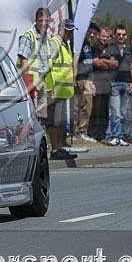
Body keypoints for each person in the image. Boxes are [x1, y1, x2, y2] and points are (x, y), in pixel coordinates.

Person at [18, 7, 56, 124]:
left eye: (46, 21)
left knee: (41, 116)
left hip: (43, 81)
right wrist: (28, 83)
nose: (43, 23)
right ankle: (28, 139)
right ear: (36, 20)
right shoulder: (29, 36)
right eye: (40, 20)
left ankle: (38, 139)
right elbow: (24, 60)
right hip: (32, 81)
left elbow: (48, 64)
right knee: (31, 114)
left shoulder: (47, 38)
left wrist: (52, 87)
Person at [47, 19, 78, 160]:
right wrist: (51, 87)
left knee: (61, 121)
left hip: (64, 91)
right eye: (68, 30)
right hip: (56, 89)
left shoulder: (66, 45)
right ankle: (55, 149)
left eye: (71, 31)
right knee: (54, 121)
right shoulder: (56, 43)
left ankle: (59, 147)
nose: (70, 33)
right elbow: (48, 64)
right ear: (61, 30)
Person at [105, 24, 132, 147]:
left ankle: (120, 136)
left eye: (123, 35)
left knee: (123, 113)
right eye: (118, 34)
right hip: (114, 83)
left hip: (126, 83)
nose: (121, 37)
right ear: (114, 35)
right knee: (115, 112)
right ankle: (114, 136)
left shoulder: (129, 50)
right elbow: (106, 68)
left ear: (126, 36)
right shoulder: (110, 48)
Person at [89, 27, 118, 143]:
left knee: (105, 111)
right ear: (98, 36)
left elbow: (115, 64)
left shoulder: (111, 49)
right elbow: (95, 62)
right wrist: (107, 62)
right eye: (103, 36)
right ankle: (93, 133)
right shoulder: (93, 49)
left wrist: (104, 61)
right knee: (95, 110)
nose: (104, 38)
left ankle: (102, 135)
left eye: (107, 36)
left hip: (107, 84)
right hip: (96, 83)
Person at [74, 23, 99, 142]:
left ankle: (82, 130)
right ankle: (76, 131)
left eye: (94, 33)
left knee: (87, 106)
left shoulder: (89, 46)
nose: (92, 35)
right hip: (79, 78)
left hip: (88, 79)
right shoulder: (80, 43)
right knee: (78, 106)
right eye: (91, 32)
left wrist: (92, 82)